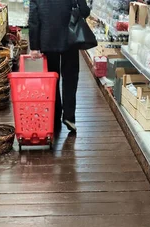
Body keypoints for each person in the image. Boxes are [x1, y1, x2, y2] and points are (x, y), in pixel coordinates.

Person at [28, 0, 91, 133]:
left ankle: (54, 116)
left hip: (47, 39)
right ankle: (69, 116)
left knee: (51, 80)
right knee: (70, 79)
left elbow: (34, 18)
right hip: (71, 37)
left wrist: (34, 46)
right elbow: (85, 11)